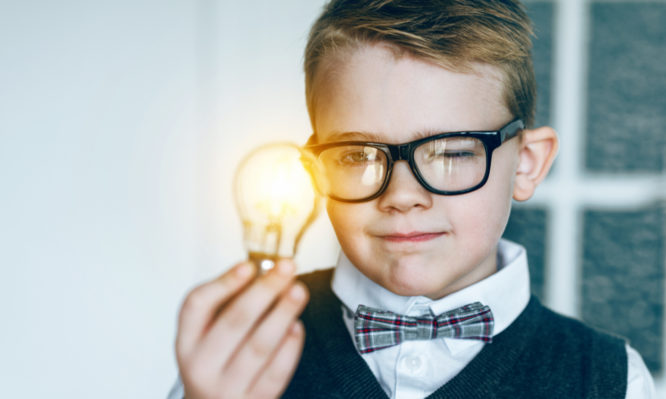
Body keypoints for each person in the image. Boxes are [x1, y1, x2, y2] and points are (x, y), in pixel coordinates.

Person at [168, 0, 656, 398]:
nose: (402, 196)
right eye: (358, 155)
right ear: (315, 171)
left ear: (526, 164)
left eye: (450, 152)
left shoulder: (610, 380)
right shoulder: (242, 358)